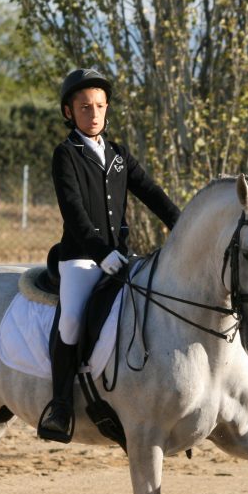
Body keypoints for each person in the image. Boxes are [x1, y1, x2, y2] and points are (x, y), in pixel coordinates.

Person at [37, 68, 181, 443]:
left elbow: (151, 192)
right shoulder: (65, 155)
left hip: (121, 257)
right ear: (69, 112)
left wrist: (181, 224)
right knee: (71, 320)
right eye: (85, 107)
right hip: (81, 259)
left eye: (100, 106)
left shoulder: (118, 154)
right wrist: (101, 253)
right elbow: (74, 212)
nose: (94, 113)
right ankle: (60, 405)